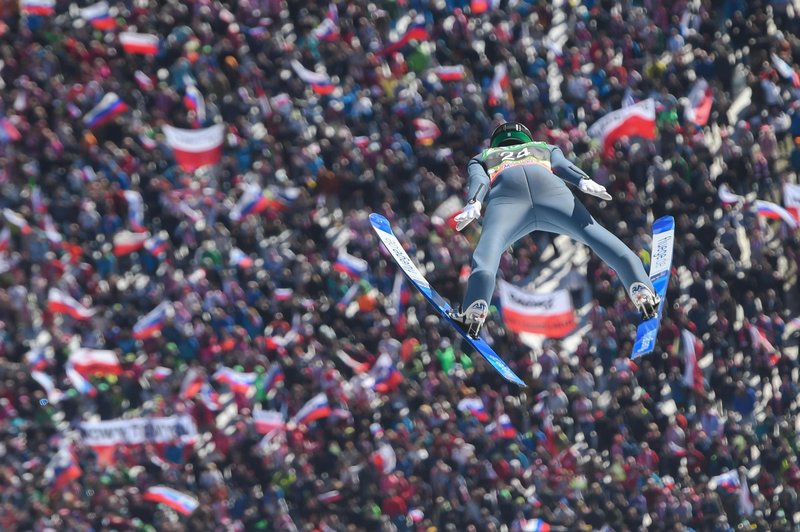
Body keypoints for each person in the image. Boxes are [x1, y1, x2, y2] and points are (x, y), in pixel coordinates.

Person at [449, 122, 659, 337]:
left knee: (488, 253)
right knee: (594, 234)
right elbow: (562, 166)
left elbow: (479, 179)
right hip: (552, 194)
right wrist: (583, 180)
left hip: (507, 201)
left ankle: (475, 308)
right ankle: (640, 286)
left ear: (496, 142)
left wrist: (474, 202)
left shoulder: (484, 156)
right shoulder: (544, 147)